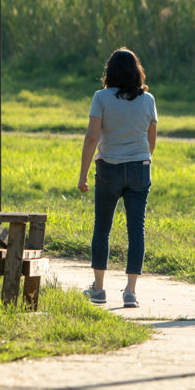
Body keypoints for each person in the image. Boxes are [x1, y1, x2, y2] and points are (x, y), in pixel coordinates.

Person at [78, 47, 157, 308]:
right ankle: (130, 292)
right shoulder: (148, 100)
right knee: (136, 230)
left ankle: (99, 289)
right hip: (139, 168)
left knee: (102, 228)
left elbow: (92, 137)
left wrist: (83, 175)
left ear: (109, 72)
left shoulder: (101, 97)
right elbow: (151, 139)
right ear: (137, 72)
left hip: (108, 168)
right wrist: (142, 161)